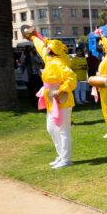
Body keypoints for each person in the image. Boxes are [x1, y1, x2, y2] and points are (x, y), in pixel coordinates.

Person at [26, 29, 76, 169]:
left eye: (48, 47)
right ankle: (61, 156)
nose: (45, 48)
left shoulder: (59, 63)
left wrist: (60, 90)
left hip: (62, 99)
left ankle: (66, 159)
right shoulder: (51, 59)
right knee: (51, 128)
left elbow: (71, 78)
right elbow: (41, 47)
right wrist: (35, 37)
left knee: (63, 129)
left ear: (52, 50)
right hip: (51, 98)